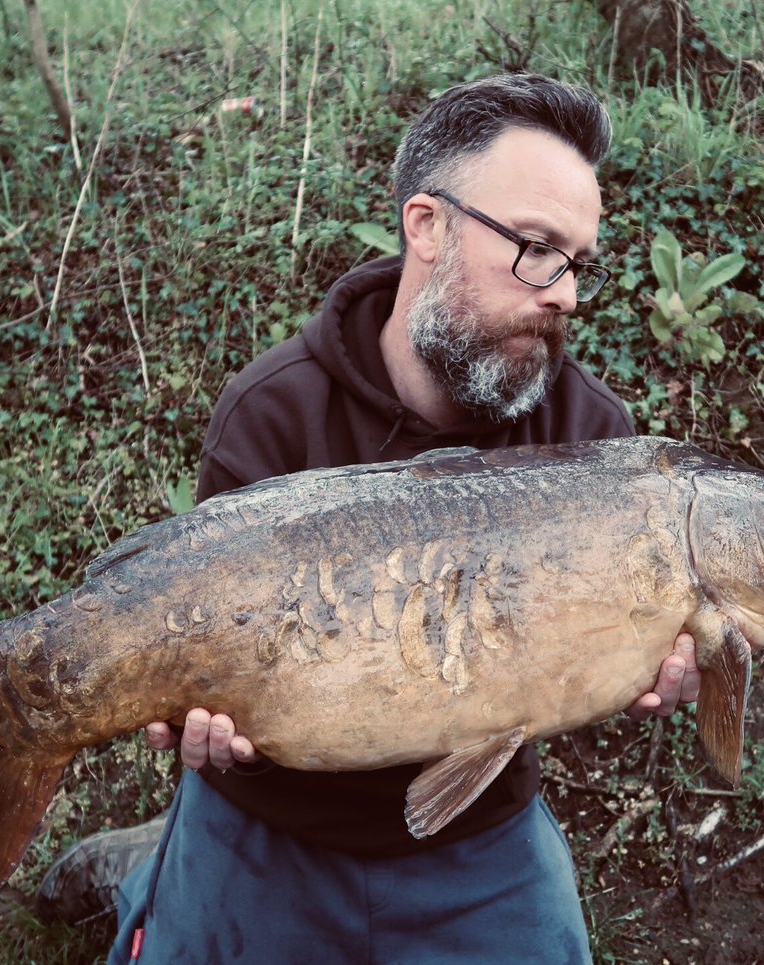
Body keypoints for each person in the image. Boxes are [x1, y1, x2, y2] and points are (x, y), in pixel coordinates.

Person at [56, 73, 700, 963]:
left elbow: (606, 656)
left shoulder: (594, 440)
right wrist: (203, 733)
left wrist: (655, 663)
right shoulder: (274, 410)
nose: (565, 295)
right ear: (427, 226)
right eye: (537, 248)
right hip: (269, 817)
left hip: (479, 826)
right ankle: (143, 872)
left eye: (578, 263)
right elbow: (204, 665)